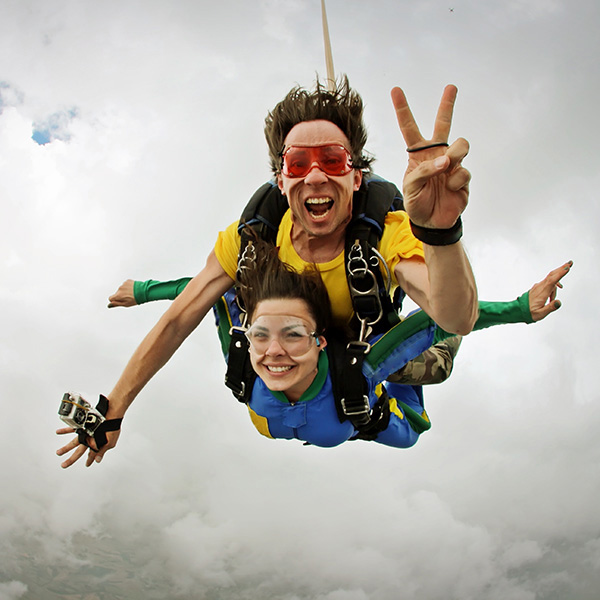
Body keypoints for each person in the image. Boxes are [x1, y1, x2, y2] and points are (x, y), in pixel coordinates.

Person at [57, 76, 479, 467]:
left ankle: (443, 318)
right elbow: (180, 318)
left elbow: (454, 316)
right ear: (281, 180)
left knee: (435, 360)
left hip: (362, 343)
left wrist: (438, 232)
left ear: (356, 178)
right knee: (234, 299)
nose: (315, 174)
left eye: (333, 160)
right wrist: (113, 408)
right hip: (301, 349)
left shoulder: (387, 234)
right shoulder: (251, 241)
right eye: (298, 163)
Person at [61, 240, 571, 449]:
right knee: (256, 325)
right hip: (334, 404)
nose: (272, 353)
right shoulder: (246, 361)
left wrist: (523, 309)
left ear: (318, 340)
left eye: (292, 337)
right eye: (261, 335)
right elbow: (208, 299)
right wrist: (144, 292)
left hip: (382, 397)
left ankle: (388, 315)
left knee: (427, 366)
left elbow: (443, 319)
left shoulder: (361, 371)